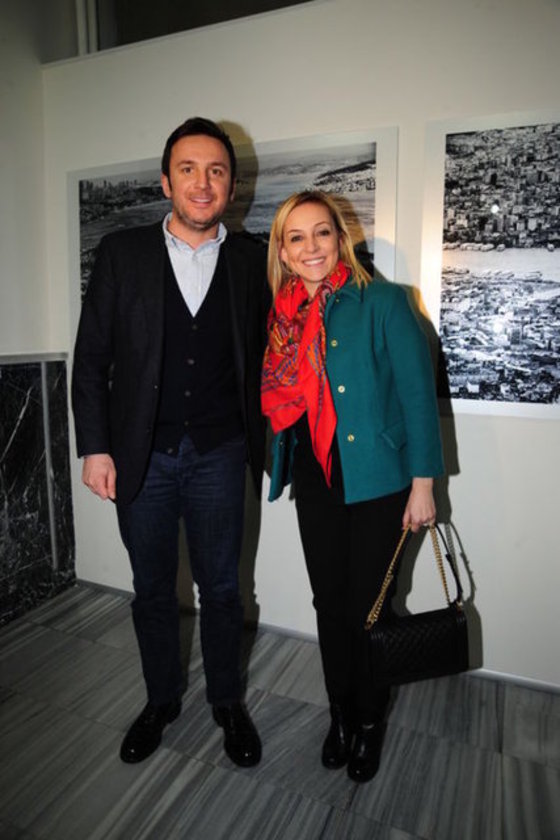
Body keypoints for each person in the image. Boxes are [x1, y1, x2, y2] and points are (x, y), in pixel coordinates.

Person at [72, 117, 270, 767]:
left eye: (216, 170)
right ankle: (161, 700)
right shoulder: (122, 253)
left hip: (221, 453)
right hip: (141, 457)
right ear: (166, 181)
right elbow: (91, 357)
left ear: (231, 185)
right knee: (153, 590)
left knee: (223, 591)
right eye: (188, 169)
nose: (202, 182)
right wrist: (95, 447)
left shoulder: (251, 261)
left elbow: (279, 350)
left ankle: (227, 702)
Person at [261, 190, 444, 783]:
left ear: (340, 239)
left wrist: (423, 484)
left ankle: (369, 720)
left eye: (322, 232)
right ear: (283, 252)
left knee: (369, 609)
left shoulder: (386, 301)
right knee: (328, 603)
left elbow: (418, 399)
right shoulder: (282, 317)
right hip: (316, 479)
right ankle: (339, 713)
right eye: (296, 237)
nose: (311, 247)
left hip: (381, 483)